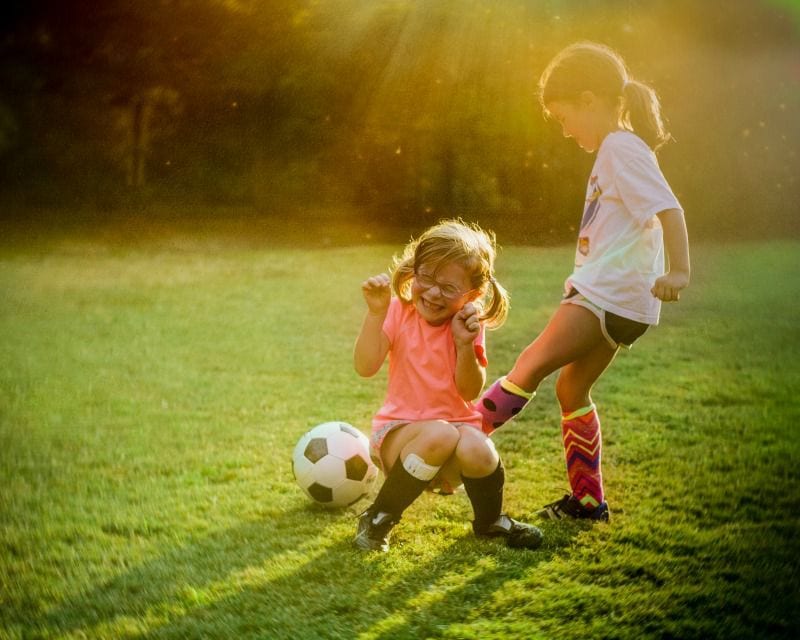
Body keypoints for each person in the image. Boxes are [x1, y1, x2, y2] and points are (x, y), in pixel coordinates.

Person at [477, 42, 691, 522]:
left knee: (529, 365)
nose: (565, 129)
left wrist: (679, 271)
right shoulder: (619, 148)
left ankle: (448, 452)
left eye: (563, 116)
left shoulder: (620, 147)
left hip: (606, 294)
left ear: (590, 100)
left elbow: (669, 209)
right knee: (571, 390)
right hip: (621, 300)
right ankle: (588, 502)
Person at [353, 219, 542, 552]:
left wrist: (465, 344)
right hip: (400, 438)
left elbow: (469, 392)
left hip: (454, 438)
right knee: (440, 433)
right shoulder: (399, 312)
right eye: (427, 277)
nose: (433, 292)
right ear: (414, 271)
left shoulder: (468, 325)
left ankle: (489, 522)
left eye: (449, 287)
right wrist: (376, 314)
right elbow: (365, 366)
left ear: (474, 294)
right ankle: (378, 516)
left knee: (479, 448)